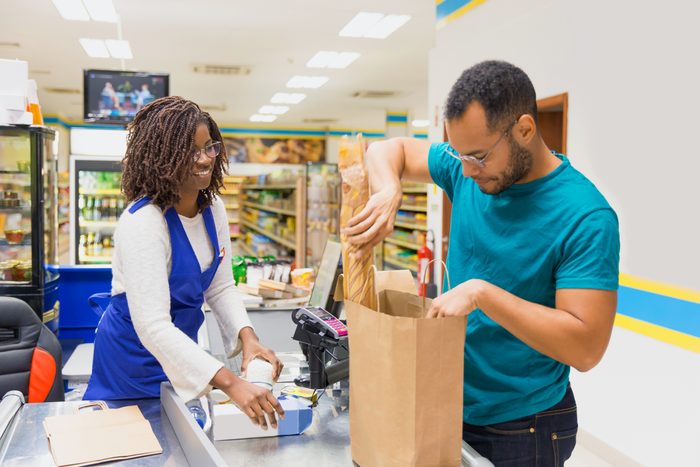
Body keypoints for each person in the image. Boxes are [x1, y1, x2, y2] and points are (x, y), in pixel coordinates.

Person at [344, 61, 619, 465]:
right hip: (451, 401)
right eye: (458, 154)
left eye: (478, 156)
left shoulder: (585, 216)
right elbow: (391, 149)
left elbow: (586, 348)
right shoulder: (466, 168)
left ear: (525, 129)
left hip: (525, 425)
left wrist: (482, 294)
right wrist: (389, 189)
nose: (466, 170)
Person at [84, 96, 285, 430]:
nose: (205, 158)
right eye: (191, 151)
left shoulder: (213, 209)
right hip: (133, 365)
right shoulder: (144, 222)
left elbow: (220, 286)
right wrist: (231, 383)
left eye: (210, 147)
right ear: (162, 157)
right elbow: (153, 325)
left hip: (183, 357)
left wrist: (248, 338)